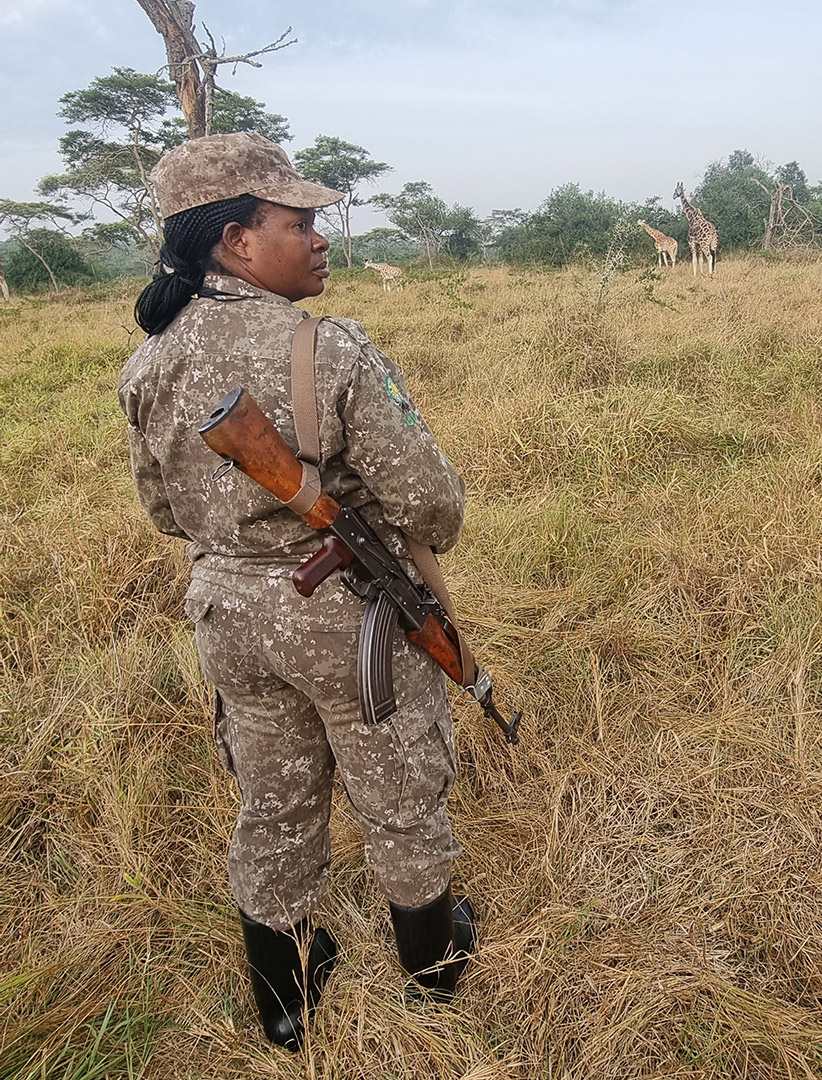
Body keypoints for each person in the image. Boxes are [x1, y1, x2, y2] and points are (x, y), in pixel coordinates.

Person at [118, 132, 475, 1051]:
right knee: (398, 785)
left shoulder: (149, 360)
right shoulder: (328, 346)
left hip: (225, 613)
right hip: (342, 618)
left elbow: (163, 510)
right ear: (236, 241)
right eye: (300, 221)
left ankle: (284, 1001)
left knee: (272, 799)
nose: (321, 237)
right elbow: (430, 502)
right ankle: (434, 972)